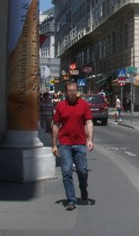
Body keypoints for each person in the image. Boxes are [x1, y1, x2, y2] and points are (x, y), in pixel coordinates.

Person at [52, 81, 94, 211]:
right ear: (66, 92)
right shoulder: (60, 106)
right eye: (70, 91)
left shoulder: (83, 105)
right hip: (65, 143)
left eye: (74, 91)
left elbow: (89, 122)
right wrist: (54, 144)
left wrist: (90, 139)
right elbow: (55, 125)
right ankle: (71, 200)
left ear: (77, 91)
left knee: (82, 170)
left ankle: (83, 188)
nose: (72, 93)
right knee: (66, 172)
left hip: (80, 142)